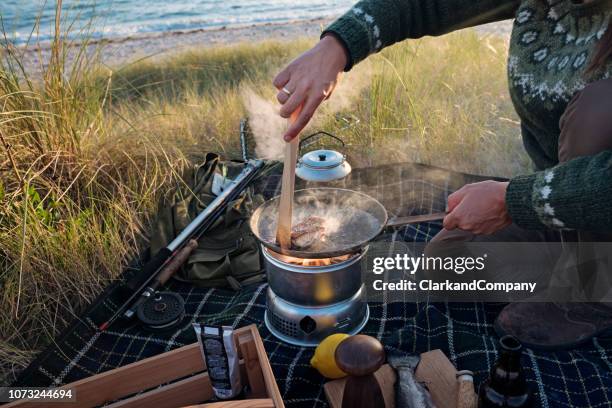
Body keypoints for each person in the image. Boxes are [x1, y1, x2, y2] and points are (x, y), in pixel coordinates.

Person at [273, 0, 612, 349]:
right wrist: (337, 46)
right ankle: (569, 258)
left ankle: (595, 291)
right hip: (564, 210)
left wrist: (513, 201)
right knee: (445, 265)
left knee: (601, 109)